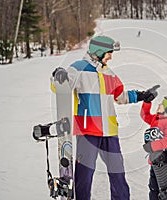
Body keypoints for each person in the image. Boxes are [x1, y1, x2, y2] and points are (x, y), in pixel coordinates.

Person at [52, 35, 159, 200]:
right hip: (88, 131)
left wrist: (142, 95)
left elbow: (121, 96)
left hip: (110, 132)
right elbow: (60, 86)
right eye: (109, 53)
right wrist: (58, 76)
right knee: (85, 175)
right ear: (99, 51)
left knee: (117, 172)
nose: (111, 56)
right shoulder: (78, 68)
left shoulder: (109, 73)